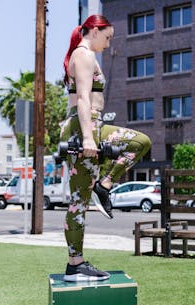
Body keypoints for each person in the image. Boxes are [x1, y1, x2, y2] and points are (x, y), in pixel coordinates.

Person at [60, 15, 151, 282]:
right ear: (95, 31)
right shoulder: (84, 55)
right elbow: (83, 100)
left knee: (80, 200)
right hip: (83, 128)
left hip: (88, 126)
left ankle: (105, 185)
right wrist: (88, 138)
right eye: (108, 37)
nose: (109, 44)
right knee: (79, 202)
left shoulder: (83, 55)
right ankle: (75, 263)